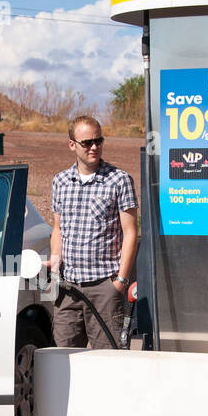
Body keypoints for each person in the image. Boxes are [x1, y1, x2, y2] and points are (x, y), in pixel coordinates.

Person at [46, 115, 138, 348]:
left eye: (98, 140)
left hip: (104, 288)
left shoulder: (119, 180)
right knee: (62, 360)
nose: (94, 147)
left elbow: (130, 233)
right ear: (72, 145)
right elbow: (58, 228)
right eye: (86, 142)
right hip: (68, 290)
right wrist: (55, 264)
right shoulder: (60, 182)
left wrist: (119, 282)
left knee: (107, 363)